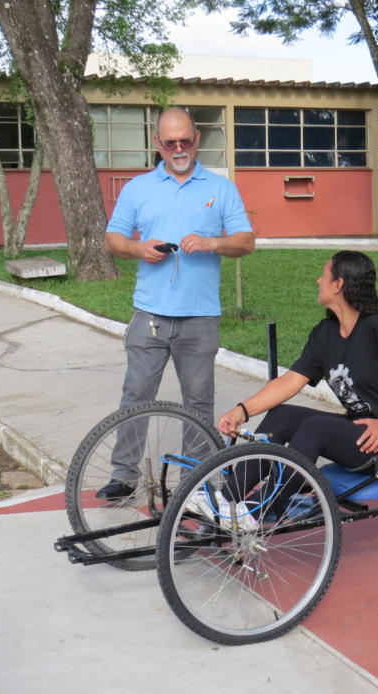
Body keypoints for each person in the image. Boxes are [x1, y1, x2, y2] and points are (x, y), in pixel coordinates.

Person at [204, 250, 378, 528]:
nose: (318, 280)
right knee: (283, 416)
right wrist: (243, 411)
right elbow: (291, 381)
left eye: (324, 275)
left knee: (316, 427)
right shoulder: (326, 333)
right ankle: (223, 501)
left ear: (339, 284)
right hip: (362, 431)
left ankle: (256, 511)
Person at [97, 107, 255, 500]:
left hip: (200, 316)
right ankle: (124, 474)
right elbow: (112, 239)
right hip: (150, 313)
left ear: (197, 139)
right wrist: (138, 248)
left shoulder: (220, 188)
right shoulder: (138, 188)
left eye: (186, 141)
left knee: (198, 400)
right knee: (136, 395)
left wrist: (212, 242)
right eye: (171, 143)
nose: (179, 149)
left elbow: (245, 241)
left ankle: (195, 478)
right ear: (158, 144)